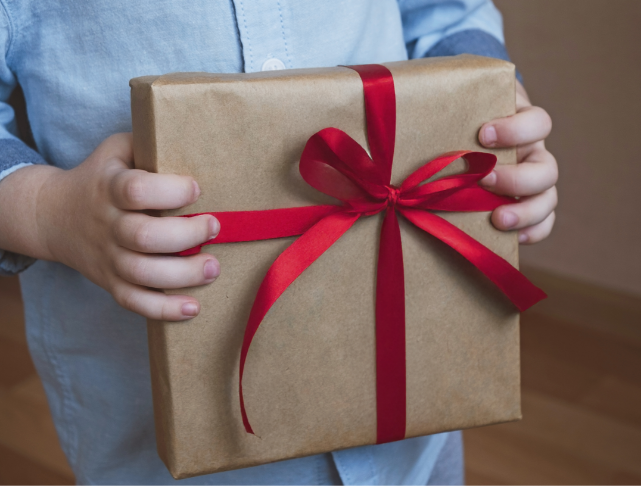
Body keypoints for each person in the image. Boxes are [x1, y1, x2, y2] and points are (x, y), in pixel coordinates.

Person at [0, 1, 558, 484]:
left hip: (415, 422)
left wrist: (502, 112)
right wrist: (53, 213)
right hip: (153, 443)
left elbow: (449, 14)